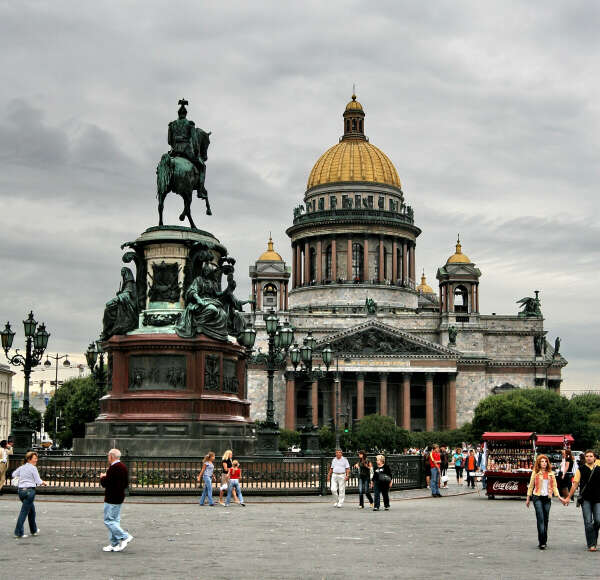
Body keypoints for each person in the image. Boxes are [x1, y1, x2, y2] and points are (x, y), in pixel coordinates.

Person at [561, 450, 600, 551]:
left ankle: (594, 539)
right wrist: (569, 497)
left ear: (594, 458)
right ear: (585, 458)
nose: (589, 458)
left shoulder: (599, 469)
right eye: (587, 456)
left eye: (591, 456)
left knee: (598, 520)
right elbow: (575, 484)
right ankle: (591, 544)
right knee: (588, 522)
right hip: (585, 499)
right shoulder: (581, 469)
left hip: (598, 499)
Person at [100, 448, 132, 552]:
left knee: (108, 521)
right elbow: (126, 483)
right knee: (114, 521)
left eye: (108, 456)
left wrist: (102, 477)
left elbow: (106, 483)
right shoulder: (123, 467)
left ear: (111, 456)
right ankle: (114, 544)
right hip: (119, 497)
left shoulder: (113, 468)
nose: (107, 458)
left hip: (111, 498)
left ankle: (125, 536)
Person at [525, 454, 560, 549]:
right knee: (540, 518)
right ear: (539, 463)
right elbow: (531, 486)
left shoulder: (551, 473)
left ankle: (544, 539)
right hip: (537, 497)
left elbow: (554, 487)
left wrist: (559, 497)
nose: (544, 463)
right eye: (542, 461)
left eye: (545, 461)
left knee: (546, 519)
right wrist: (528, 498)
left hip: (547, 498)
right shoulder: (535, 473)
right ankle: (542, 542)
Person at [12, 451, 48, 538]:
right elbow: (38, 481)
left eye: (36, 458)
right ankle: (18, 532)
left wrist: (22, 477)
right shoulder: (33, 468)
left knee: (31, 511)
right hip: (29, 492)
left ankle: (34, 530)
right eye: (35, 458)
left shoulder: (22, 467)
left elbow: (13, 474)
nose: (36, 460)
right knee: (24, 512)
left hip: (21, 491)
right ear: (29, 459)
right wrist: (44, 483)